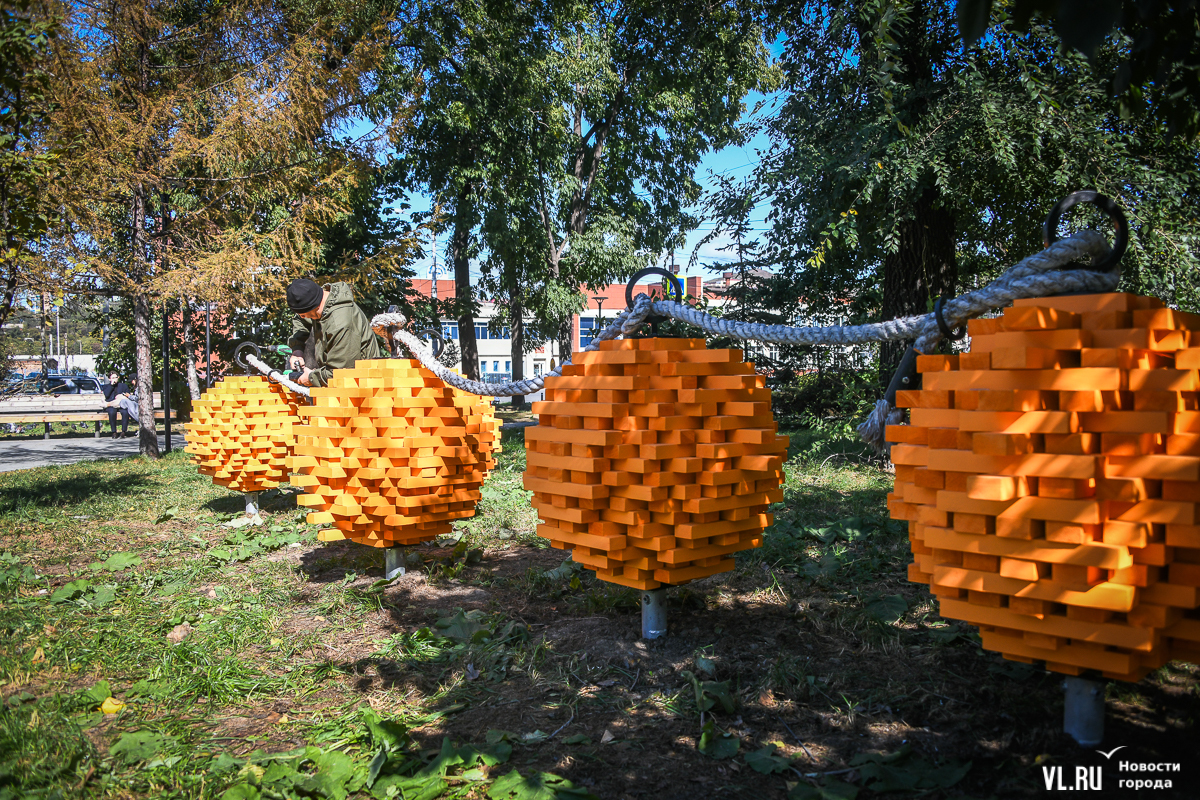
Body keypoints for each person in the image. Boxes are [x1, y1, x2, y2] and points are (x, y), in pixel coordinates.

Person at [285, 278, 382, 387]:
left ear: (314, 307)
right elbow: (300, 320)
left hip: (361, 386)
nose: (302, 317)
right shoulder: (321, 301)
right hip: (339, 382)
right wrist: (297, 350)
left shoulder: (340, 323)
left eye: (303, 314)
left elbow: (340, 373)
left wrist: (311, 377)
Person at [101, 371, 132, 438]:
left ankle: (123, 431)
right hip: (111, 405)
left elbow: (127, 394)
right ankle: (114, 432)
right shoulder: (106, 386)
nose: (115, 379)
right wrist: (111, 385)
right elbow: (107, 395)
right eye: (113, 378)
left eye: (116, 377)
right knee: (112, 412)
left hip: (121, 404)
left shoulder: (123, 386)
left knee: (125, 412)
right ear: (109, 379)